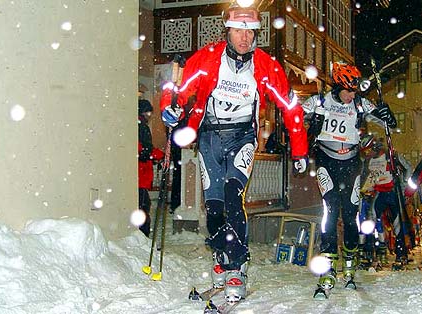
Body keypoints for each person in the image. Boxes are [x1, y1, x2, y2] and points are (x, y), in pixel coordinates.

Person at [159, 2, 308, 302]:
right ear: (228, 30)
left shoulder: (265, 66)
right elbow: (177, 89)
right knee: (213, 209)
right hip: (210, 138)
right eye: (238, 30)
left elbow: (290, 107)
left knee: (232, 195)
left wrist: (300, 150)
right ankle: (220, 259)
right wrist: (170, 107)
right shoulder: (207, 59)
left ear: (256, 35)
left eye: (250, 32)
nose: (244, 37)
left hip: (242, 138)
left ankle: (237, 265)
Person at [302, 62, 398, 295]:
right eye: (347, 90)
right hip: (327, 162)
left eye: (354, 90)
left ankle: (350, 264)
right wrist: (310, 125)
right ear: (337, 86)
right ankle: (327, 266)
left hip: (352, 164)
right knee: (330, 210)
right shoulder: (319, 101)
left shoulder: (359, 103)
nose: (351, 95)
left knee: (350, 213)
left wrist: (388, 114)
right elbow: (293, 120)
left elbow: (390, 125)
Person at [360, 135, 413, 270]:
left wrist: (404, 186)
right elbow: (368, 176)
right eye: (365, 152)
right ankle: (369, 254)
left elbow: (408, 168)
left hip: (393, 192)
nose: (367, 154)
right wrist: (366, 189)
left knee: (397, 224)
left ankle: (401, 255)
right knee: (370, 223)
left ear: (375, 147)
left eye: (368, 150)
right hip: (379, 194)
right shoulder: (368, 161)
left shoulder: (391, 156)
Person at [138, 99, 164, 238]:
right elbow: (145, 151)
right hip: (141, 173)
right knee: (143, 206)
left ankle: (142, 235)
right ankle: (143, 235)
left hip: (140, 174)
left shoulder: (137, 125)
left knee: (143, 205)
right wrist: (158, 154)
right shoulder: (142, 127)